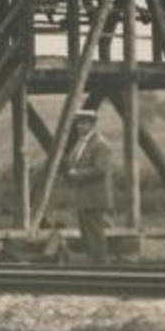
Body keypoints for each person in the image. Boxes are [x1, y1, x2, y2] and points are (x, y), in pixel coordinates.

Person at [63, 107, 114, 264]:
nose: (80, 127)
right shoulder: (81, 144)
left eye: (84, 123)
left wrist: (76, 175)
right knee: (86, 232)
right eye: (79, 124)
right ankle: (93, 262)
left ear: (92, 125)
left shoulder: (100, 145)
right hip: (83, 196)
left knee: (95, 231)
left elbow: (100, 170)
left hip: (94, 196)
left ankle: (100, 263)